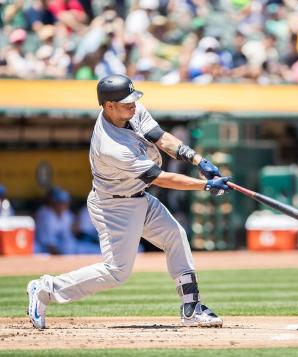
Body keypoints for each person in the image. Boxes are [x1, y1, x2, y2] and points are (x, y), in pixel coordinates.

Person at [26, 74, 231, 330]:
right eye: (126, 102)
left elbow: (160, 137)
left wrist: (198, 161)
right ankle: (45, 289)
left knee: (175, 235)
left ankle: (192, 307)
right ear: (108, 106)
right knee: (117, 272)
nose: (132, 104)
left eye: (133, 99)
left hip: (138, 196)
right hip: (114, 206)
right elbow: (160, 178)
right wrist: (204, 185)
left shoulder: (130, 110)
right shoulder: (110, 145)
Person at [34, 187, 78, 255]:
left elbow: (67, 237)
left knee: (71, 246)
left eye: (65, 203)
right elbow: (47, 242)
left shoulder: (67, 215)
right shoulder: (45, 214)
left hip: (58, 244)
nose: (62, 205)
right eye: (60, 202)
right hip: (41, 245)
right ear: (53, 203)